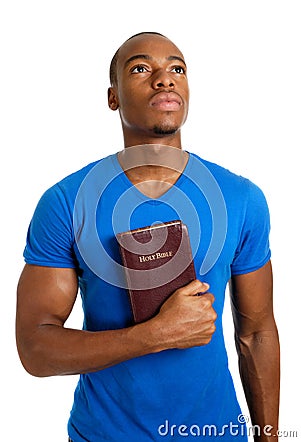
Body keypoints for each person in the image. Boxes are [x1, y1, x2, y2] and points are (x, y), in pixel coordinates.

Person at [16, 32, 280, 441]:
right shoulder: (67, 202)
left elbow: (257, 332)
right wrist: (154, 335)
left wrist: (269, 437)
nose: (164, 78)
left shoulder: (241, 198)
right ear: (113, 97)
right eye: (141, 68)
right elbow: (35, 348)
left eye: (177, 68)